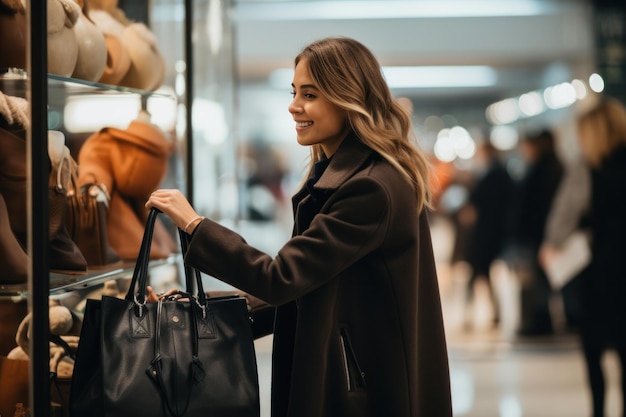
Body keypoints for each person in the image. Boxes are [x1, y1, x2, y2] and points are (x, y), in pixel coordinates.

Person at [146, 37, 453, 417]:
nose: (294, 106)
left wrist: (194, 224)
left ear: (347, 98)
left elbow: (281, 278)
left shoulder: (369, 188)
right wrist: (194, 314)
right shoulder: (349, 179)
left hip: (365, 390)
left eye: (310, 94)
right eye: (295, 92)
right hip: (357, 378)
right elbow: (301, 288)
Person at [540, 97, 626, 417]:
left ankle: (599, 411)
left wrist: (551, 245)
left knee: (593, 352)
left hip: (599, 271)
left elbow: (564, 214)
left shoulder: (589, 166)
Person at [462, 141, 514, 329]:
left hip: (485, 233)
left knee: (477, 272)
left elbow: (477, 206)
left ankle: (468, 314)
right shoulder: (502, 175)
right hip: (494, 233)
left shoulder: (491, 176)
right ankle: (493, 313)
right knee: (483, 273)